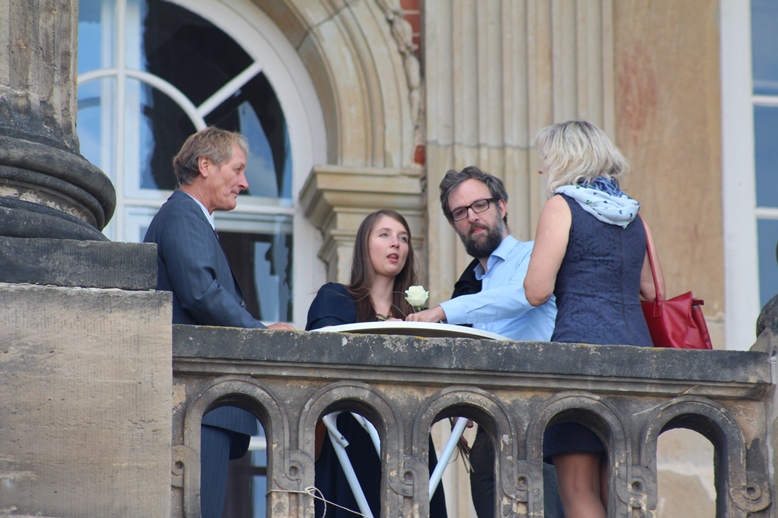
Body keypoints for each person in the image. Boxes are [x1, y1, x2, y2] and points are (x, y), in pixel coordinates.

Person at [144, 126, 294, 518]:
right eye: (238, 169)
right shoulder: (183, 213)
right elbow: (201, 293)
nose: (245, 183)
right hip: (200, 407)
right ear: (205, 166)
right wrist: (260, 334)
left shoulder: (191, 217)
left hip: (205, 406)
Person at [524, 119, 664, 518]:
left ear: (567, 158)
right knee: (624, 489)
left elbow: (536, 290)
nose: (542, 168)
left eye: (546, 158)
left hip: (580, 354)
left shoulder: (562, 206)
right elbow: (653, 290)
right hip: (638, 356)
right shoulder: (633, 214)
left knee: (578, 488)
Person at [406, 166, 559, 517]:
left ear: (501, 206)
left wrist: (442, 311)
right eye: (460, 212)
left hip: (535, 418)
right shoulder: (474, 282)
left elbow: (523, 295)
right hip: (488, 429)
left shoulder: (533, 255)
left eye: (480, 205)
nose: (472, 217)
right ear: (453, 224)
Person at [306, 209, 448, 517]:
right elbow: (319, 359)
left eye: (403, 238)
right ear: (364, 245)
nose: (396, 243)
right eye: (384, 235)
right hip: (351, 436)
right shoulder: (336, 297)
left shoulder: (417, 316)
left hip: (408, 437)